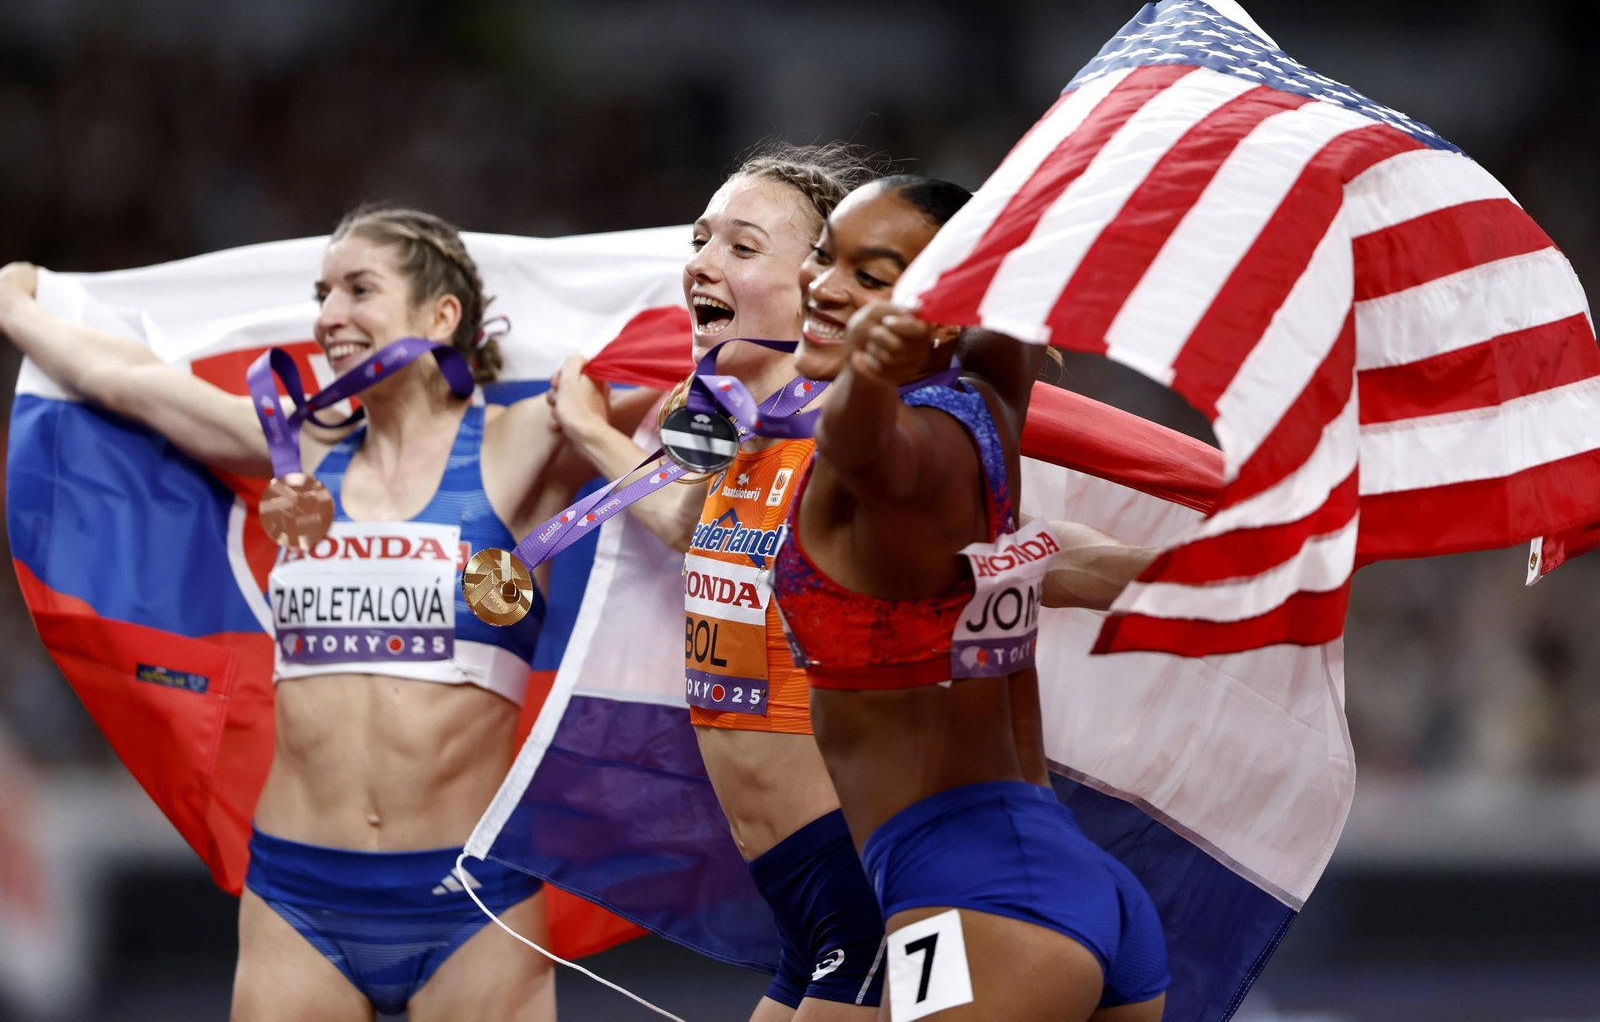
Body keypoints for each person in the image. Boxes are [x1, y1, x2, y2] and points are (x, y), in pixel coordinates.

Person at [0, 207, 650, 1021]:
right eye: (322, 293)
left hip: (474, 899)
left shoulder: (526, 444)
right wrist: (20, 305)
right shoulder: (297, 450)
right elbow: (128, 381)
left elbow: (697, 392)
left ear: (440, 317)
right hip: (299, 897)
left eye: (358, 289)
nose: (328, 316)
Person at [771, 187, 1172, 1020]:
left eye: (872, 277)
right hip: (1057, 882)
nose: (827, 286)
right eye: (827, 255)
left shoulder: (897, 456)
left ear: (944, 316)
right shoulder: (991, 397)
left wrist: (871, 375)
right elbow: (1019, 290)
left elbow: (860, 444)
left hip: (974, 901)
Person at [547, 143, 892, 1021]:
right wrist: (591, 429)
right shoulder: (745, 441)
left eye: (742, 248)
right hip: (801, 905)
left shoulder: (857, 443)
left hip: (869, 885)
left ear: (825, 287)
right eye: (701, 241)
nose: (699, 261)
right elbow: (687, 528)